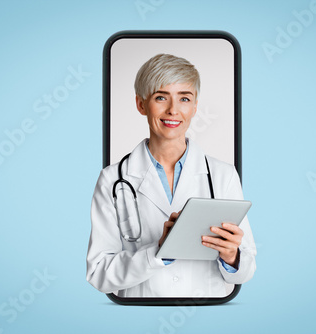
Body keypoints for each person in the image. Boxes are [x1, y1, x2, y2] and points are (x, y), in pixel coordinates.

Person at [86, 53, 256, 297]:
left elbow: (246, 270)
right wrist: (157, 252)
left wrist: (232, 255)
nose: (173, 110)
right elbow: (99, 274)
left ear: (195, 106)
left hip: (206, 314)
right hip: (139, 314)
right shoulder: (113, 179)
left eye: (184, 98)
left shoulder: (223, 175)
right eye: (161, 97)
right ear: (141, 104)